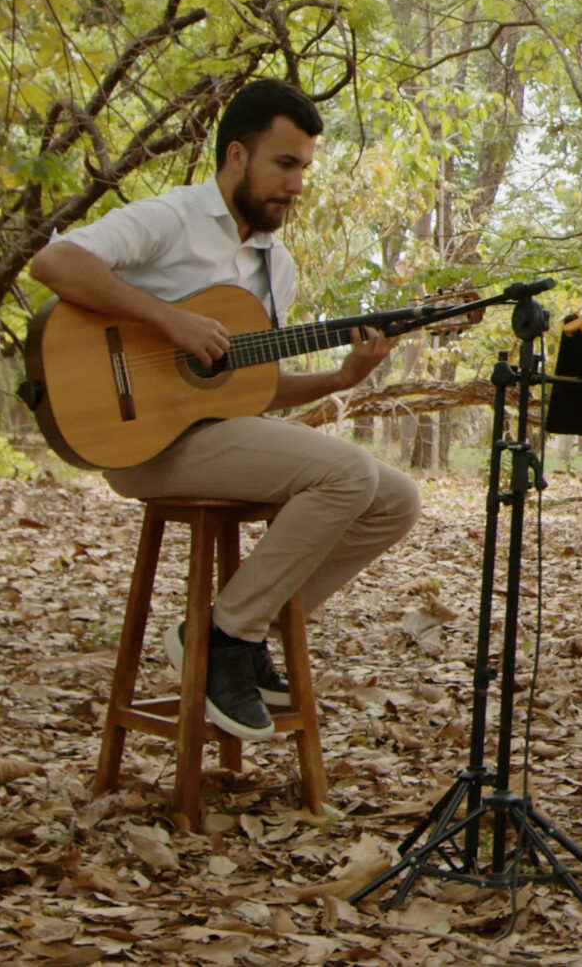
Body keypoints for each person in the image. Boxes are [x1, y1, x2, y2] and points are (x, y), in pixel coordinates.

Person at [28, 78, 420, 742]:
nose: (296, 185)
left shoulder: (277, 268)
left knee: (396, 498)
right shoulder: (172, 219)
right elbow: (55, 262)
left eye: (304, 169)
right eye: (285, 164)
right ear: (237, 156)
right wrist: (169, 321)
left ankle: (250, 628)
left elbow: (249, 390)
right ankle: (219, 638)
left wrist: (340, 375)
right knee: (348, 474)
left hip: (216, 439)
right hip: (143, 446)